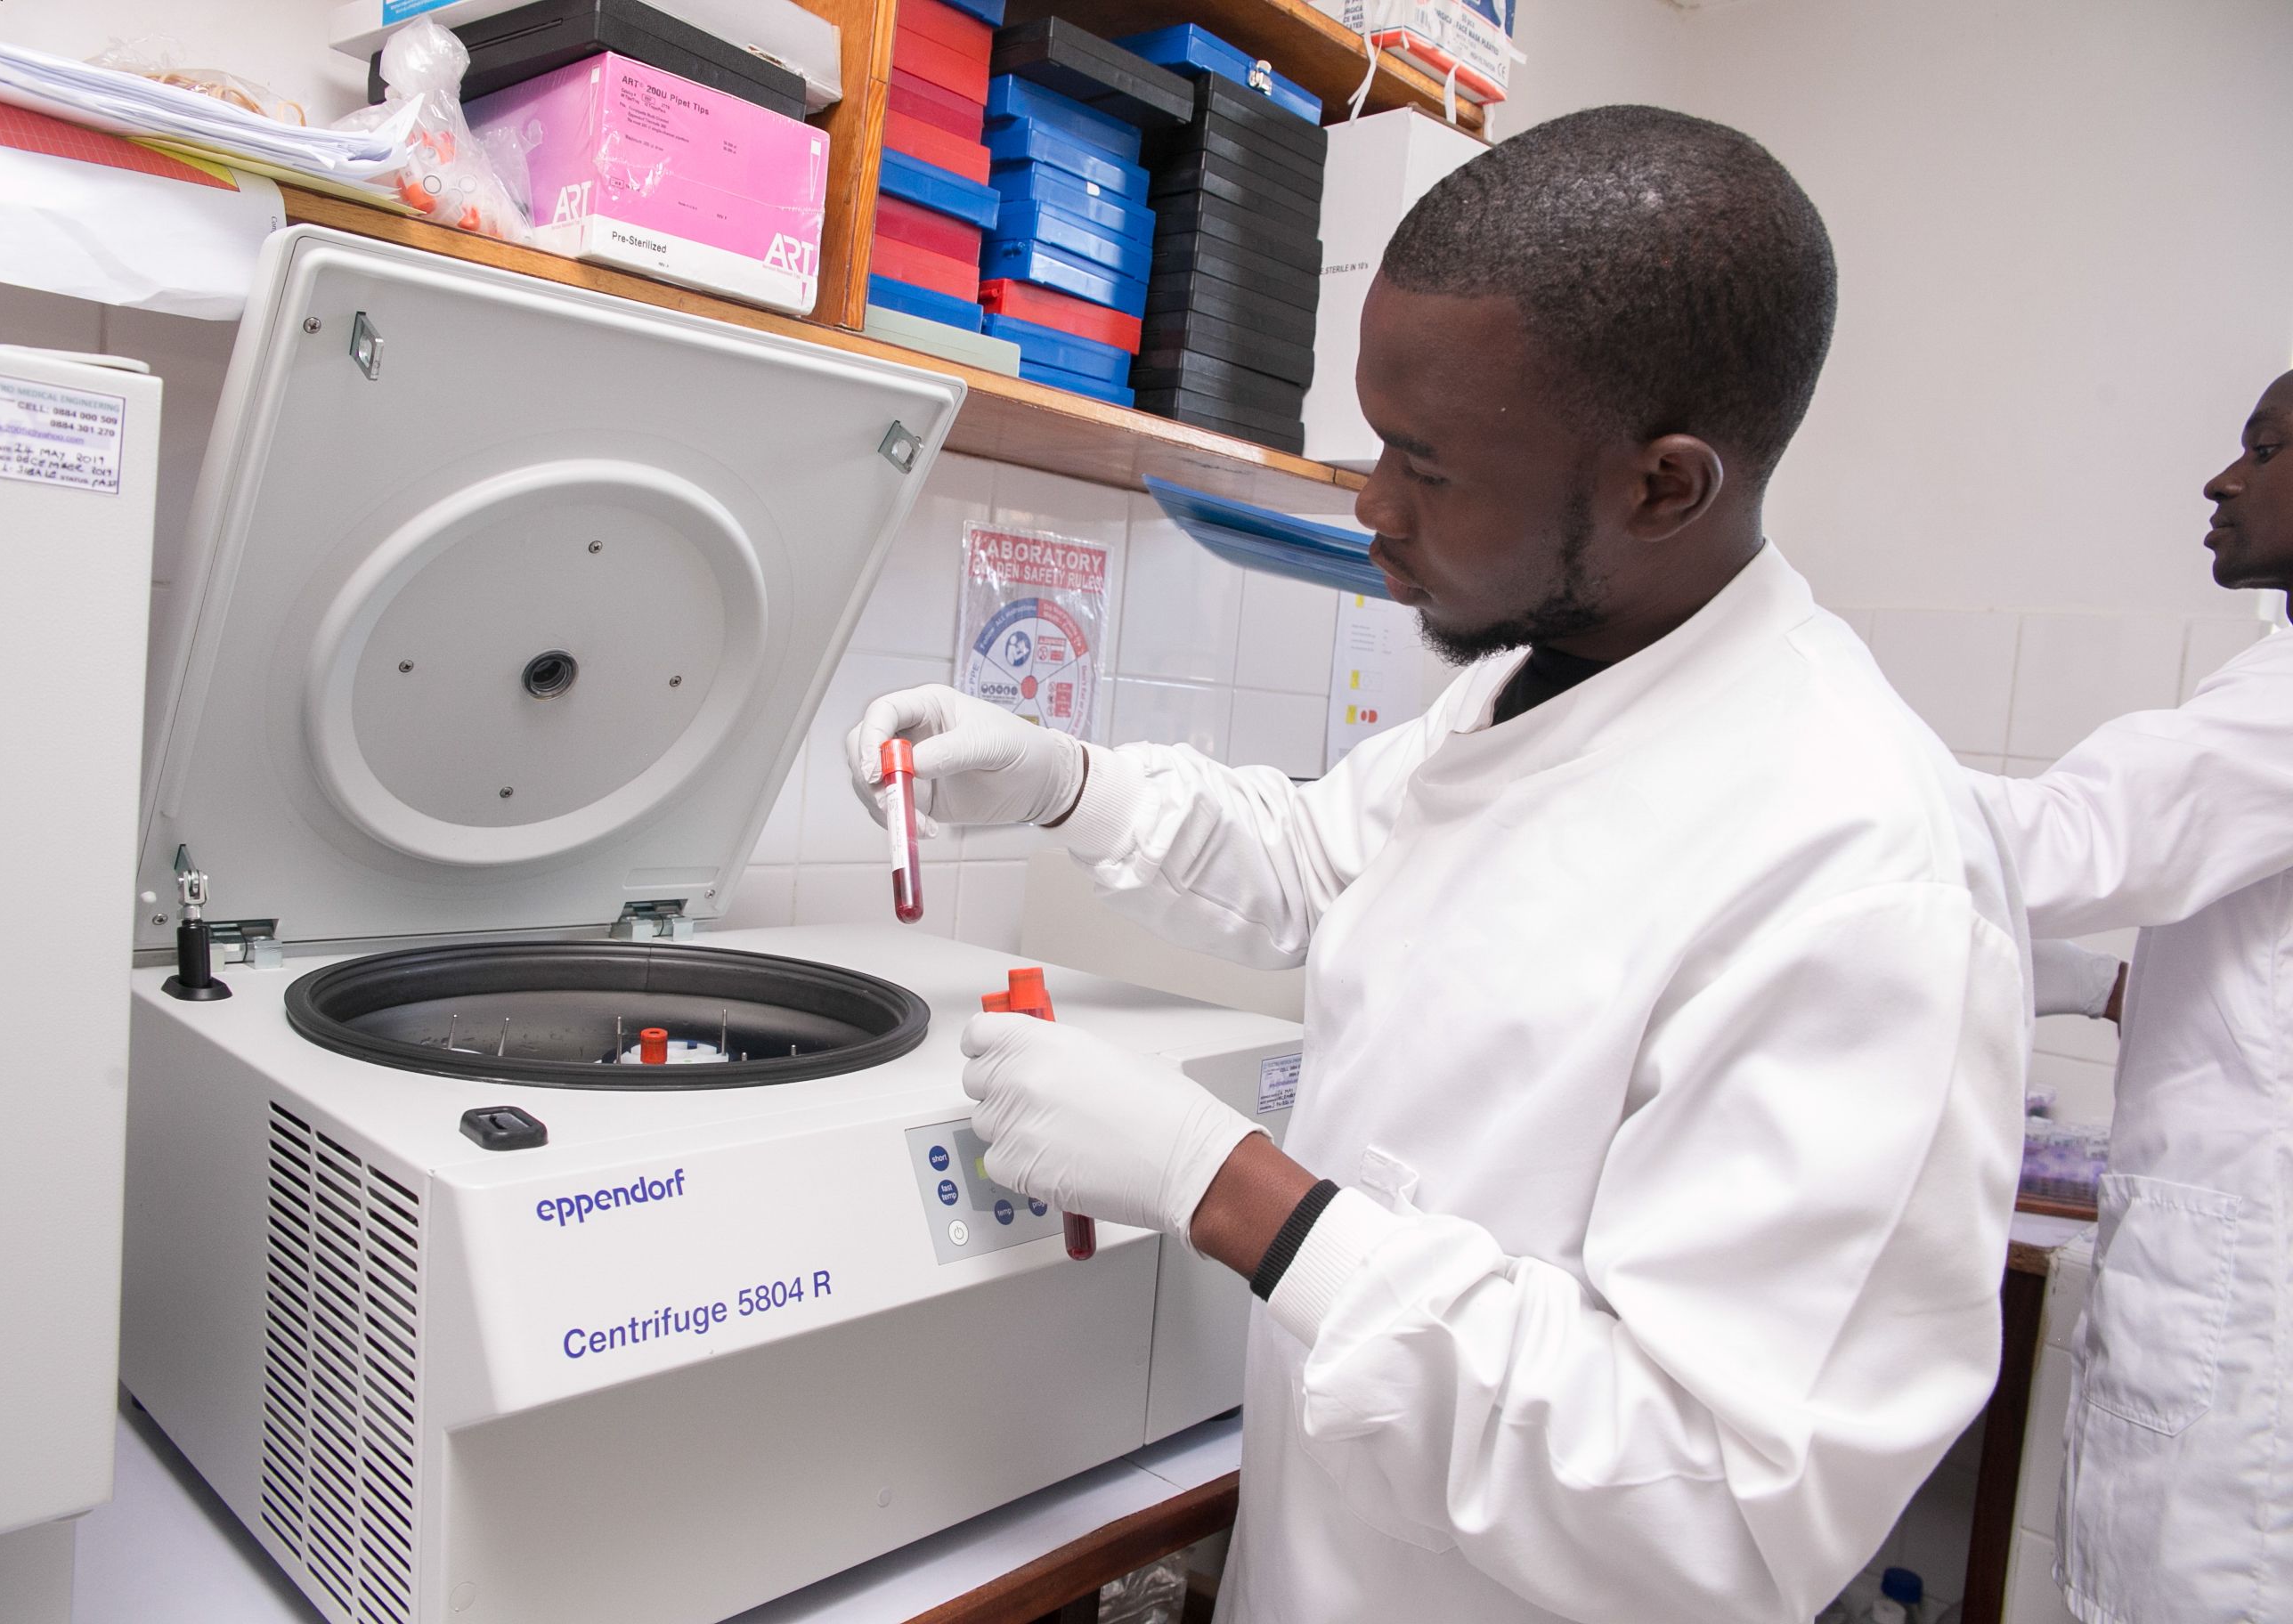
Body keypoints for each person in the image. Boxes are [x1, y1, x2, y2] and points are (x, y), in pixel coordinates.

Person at [850, 106, 2029, 1622]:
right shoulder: (1541, 681)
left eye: (1427, 466)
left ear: (1663, 486)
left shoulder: (1860, 874)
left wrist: (1231, 1192)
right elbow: (1319, 854)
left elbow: (1721, 1512)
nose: (1371, 508)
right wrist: (1059, 779)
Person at [1972, 370, 2293, 1624]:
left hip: (2248, 1334)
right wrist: (2110, 988)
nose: (2221, 480)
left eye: (2262, 450)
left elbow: (2062, 839)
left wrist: (1762, 743)